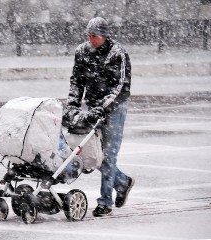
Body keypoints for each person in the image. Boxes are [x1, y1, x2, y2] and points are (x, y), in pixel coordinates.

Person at [63, 17, 135, 217]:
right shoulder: (82, 52)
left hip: (115, 107)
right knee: (91, 154)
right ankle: (122, 182)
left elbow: (121, 86)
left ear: (105, 35)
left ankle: (105, 202)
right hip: (92, 105)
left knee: (109, 154)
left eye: (94, 36)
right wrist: (72, 106)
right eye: (89, 36)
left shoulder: (118, 54)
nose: (91, 40)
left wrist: (104, 107)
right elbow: (77, 82)